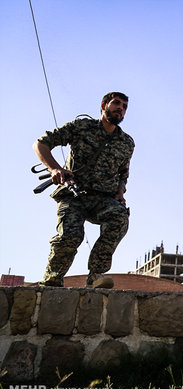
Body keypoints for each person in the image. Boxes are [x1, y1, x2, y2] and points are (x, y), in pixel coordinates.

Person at [33, 92, 134, 289]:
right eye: (116, 103)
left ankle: (96, 275)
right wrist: (55, 168)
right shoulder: (81, 127)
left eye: (124, 106)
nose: (120, 108)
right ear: (104, 105)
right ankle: (52, 280)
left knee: (119, 218)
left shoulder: (127, 142)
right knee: (71, 236)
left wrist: (120, 193)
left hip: (103, 199)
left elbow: (123, 174)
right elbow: (40, 144)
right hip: (73, 194)